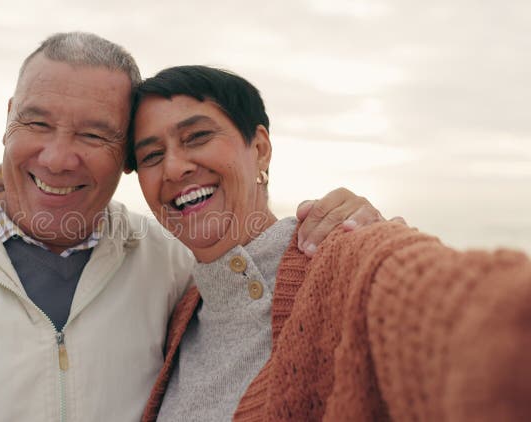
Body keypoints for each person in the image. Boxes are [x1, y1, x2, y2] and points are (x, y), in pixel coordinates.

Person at [0, 33, 390, 421]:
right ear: (9, 119)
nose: (58, 157)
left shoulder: (170, 268)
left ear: (123, 158)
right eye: (38, 124)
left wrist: (362, 227)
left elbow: (255, 283)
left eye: (94, 134)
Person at [129, 65, 531, 421]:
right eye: (151, 156)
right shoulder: (180, 311)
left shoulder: (346, 256)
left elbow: (474, 318)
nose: (174, 167)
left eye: (197, 137)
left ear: (261, 149)